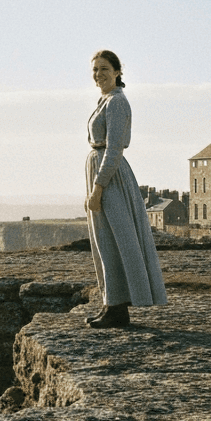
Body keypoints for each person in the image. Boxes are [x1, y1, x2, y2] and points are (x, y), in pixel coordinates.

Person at [84, 50, 167, 328]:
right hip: (102, 173)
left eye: (104, 69)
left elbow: (115, 148)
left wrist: (98, 188)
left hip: (111, 179)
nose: (99, 75)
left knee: (118, 241)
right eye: (95, 70)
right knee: (105, 242)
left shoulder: (118, 102)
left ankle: (118, 308)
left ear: (118, 71)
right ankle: (112, 303)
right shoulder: (105, 100)